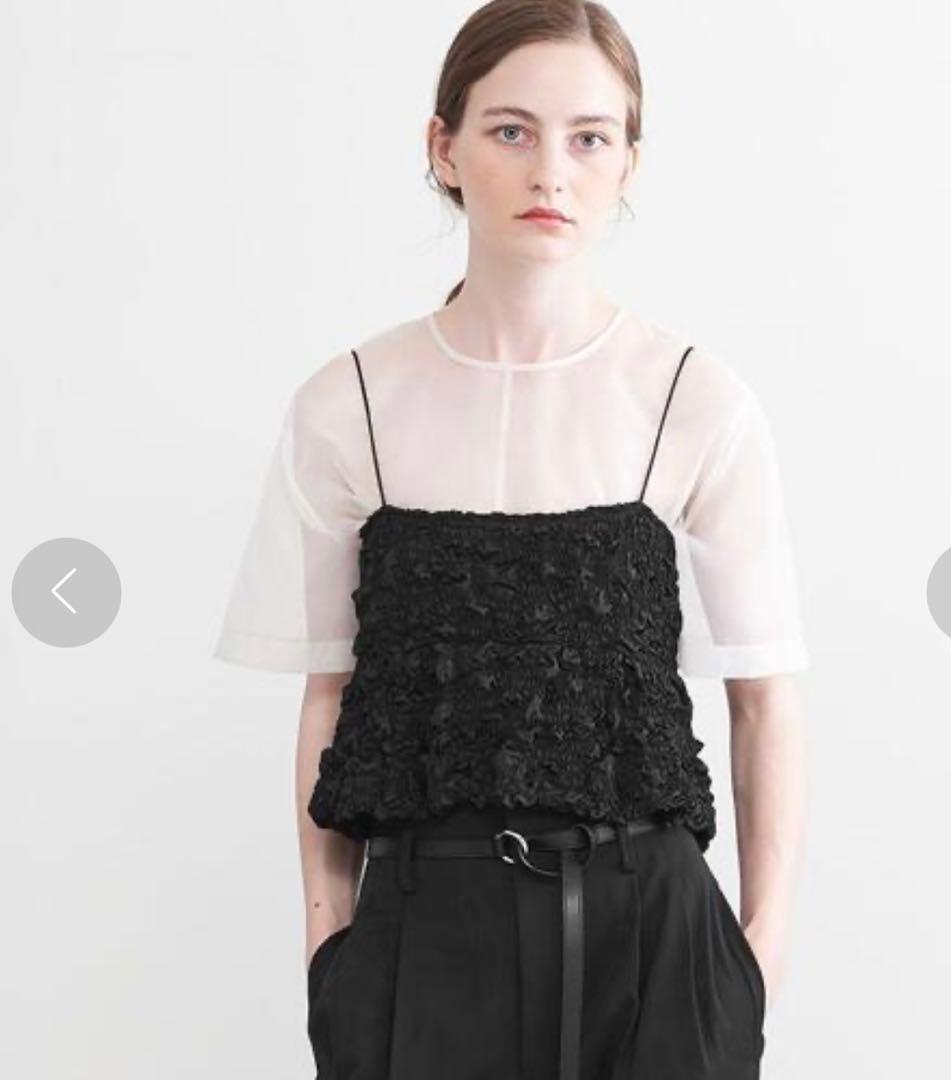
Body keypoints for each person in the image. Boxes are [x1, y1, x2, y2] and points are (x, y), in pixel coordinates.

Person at [213, 2, 809, 1077]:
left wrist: (754, 958)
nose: (551, 173)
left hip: (657, 949)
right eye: (511, 130)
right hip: (422, 946)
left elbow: (764, 697)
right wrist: (328, 946)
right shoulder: (349, 403)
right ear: (444, 148)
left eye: (589, 138)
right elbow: (328, 693)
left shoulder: (694, 401)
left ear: (628, 162)